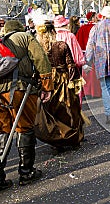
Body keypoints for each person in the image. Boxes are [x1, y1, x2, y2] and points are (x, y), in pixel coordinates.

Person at [0, 20, 53, 191]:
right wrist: (47, 86)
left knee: (2, 131)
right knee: (24, 128)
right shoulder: (25, 37)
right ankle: (26, 172)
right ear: (19, 29)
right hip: (19, 89)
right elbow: (41, 60)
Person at [35, 20, 85, 149]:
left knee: (52, 110)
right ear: (53, 32)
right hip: (63, 80)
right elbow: (71, 65)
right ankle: (74, 138)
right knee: (69, 109)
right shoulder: (62, 45)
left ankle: (58, 140)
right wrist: (74, 81)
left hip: (47, 82)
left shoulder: (38, 48)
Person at [76, 11, 102, 98]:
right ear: (93, 17)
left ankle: (86, 91)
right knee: (94, 74)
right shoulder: (97, 27)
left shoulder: (82, 28)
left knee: (86, 74)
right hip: (95, 53)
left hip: (83, 53)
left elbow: (78, 41)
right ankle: (95, 91)